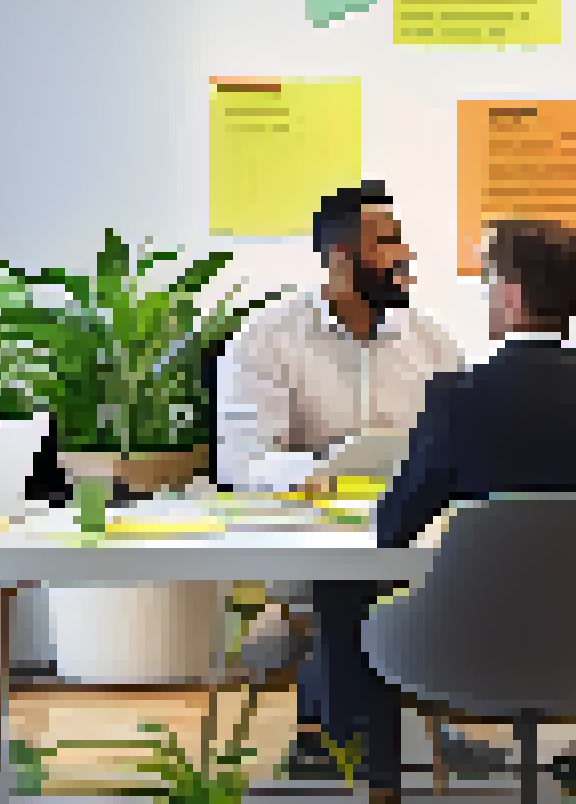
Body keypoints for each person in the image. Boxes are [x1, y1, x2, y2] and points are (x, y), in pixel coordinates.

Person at [327, 218, 576, 804]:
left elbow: (392, 530)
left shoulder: (456, 402)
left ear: (508, 294)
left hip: (462, 648)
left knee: (352, 598)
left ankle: (381, 785)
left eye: (486, 283)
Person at [214, 182, 500, 779]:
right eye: (387, 242)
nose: (402, 255)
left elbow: (472, 439)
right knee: (347, 580)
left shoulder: (429, 341)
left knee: (405, 568)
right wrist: (327, 466)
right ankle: (355, 748)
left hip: (413, 531)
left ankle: (369, 743)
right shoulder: (267, 339)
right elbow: (242, 464)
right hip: (307, 532)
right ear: (341, 257)